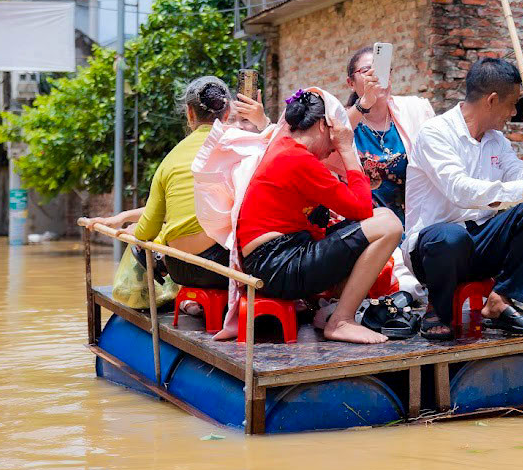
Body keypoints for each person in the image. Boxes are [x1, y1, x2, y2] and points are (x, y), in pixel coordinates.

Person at [404, 57, 523, 341]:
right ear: (492, 100)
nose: (514, 112)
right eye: (512, 104)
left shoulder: (497, 140)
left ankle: (500, 300)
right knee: (450, 236)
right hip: (434, 251)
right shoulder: (436, 133)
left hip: (481, 243)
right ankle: (437, 309)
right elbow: (459, 190)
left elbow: (521, 185)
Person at [238, 89, 403, 344]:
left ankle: (336, 312)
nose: (334, 146)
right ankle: (341, 321)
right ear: (323, 125)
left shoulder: (286, 149)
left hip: (274, 260)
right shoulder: (298, 159)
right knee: (389, 224)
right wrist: (347, 150)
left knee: (381, 217)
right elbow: (361, 208)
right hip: (278, 264)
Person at [94, 76, 269, 290]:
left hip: (178, 267)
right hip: (221, 266)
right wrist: (264, 122)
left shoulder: (170, 159)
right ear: (226, 113)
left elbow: (147, 229)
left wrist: (126, 222)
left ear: (189, 113)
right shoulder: (241, 146)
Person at [344, 46, 436, 299]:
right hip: (369, 225)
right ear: (351, 82)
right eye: (366, 70)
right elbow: (335, 137)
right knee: (402, 288)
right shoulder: (345, 121)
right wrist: (365, 104)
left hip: (415, 221)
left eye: (382, 69)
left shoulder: (414, 112)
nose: (376, 75)